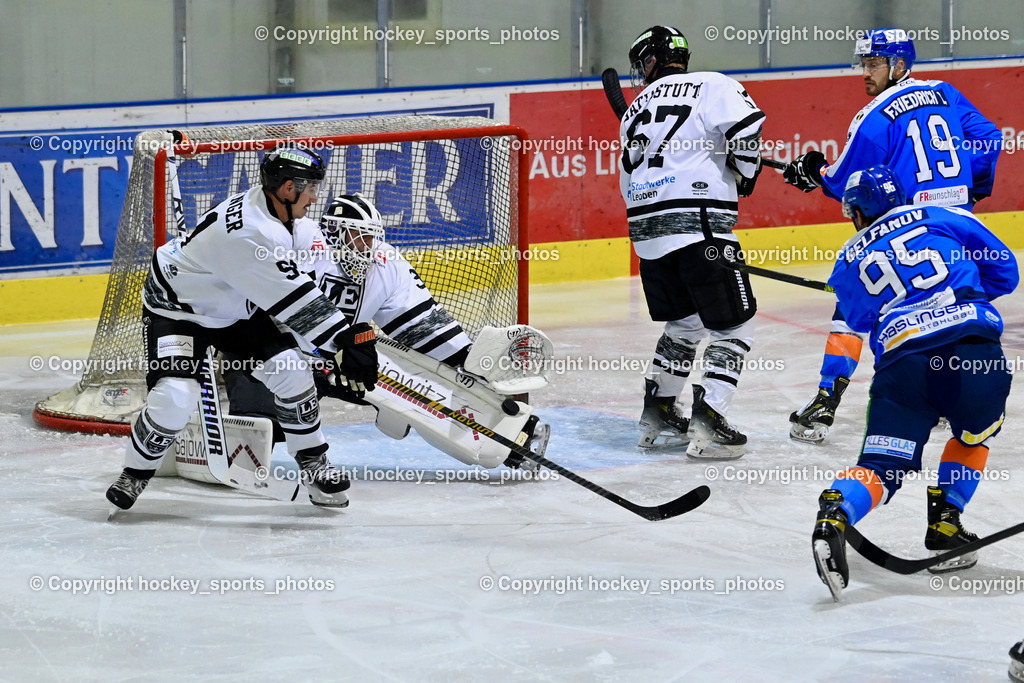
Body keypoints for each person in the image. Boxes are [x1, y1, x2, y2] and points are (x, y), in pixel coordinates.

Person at [104, 144, 379, 512]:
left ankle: (314, 466)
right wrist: (343, 343)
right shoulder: (250, 234)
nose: (314, 197)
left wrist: (336, 345)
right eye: (310, 187)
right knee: (175, 398)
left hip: (235, 308)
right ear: (286, 188)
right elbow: (296, 302)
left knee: (292, 373)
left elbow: (299, 287)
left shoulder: (277, 214)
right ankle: (134, 474)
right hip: (179, 311)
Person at [222, 193, 551, 471]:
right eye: (359, 236)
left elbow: (422, 327)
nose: (368, 246)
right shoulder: (302, 246)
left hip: (336, 360)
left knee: (412, 380)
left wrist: (467, 365)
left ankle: (511, 442)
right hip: (271, 352)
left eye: (372, 236)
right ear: (334, 232)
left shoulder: (385, 265)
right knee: (266, 429)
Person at [783, 28, 1002, 443]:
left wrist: (812, 171)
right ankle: (945, 394)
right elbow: (989, 138)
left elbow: (847, 182)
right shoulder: (945, 92)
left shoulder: (875, 117)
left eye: (873, 64)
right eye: (863, 63)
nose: (865, 72)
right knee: (947, 305)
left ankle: (827, 400)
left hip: (903, 230)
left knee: (852, 306)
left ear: (899, 65)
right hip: (954, 225)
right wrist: (965, 185)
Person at [810, 165, 1017, 601]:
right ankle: (945, 523)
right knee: (974, 433)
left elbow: (861, 320)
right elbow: (1006, 273)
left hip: (903, 367)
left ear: (857, 214)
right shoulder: (948, 216)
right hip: (971, 352)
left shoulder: (848, 257)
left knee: (881, 468)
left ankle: (835, 512)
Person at [621, 25, 764, 459]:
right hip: (699, 223)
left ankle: (660, 412)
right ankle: (710, 419)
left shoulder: (632, 113)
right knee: (735, 326)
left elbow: (628, 180)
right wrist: (746, 173)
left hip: (646, 231)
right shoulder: (712, 83)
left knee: (684, 324)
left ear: (651, 61)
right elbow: (746, 130)